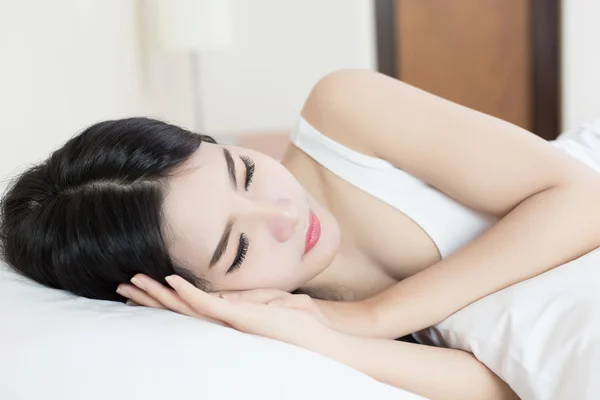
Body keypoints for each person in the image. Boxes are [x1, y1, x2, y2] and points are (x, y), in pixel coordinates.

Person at [3, 69, 600, 399]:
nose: (285, 216)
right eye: (237, 249)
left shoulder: (346, 113)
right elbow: (508, 384)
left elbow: (582, 199)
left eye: (246, 173)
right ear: (197, 290)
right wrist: (332, 341)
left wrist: (371, 317)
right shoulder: (275, 318)